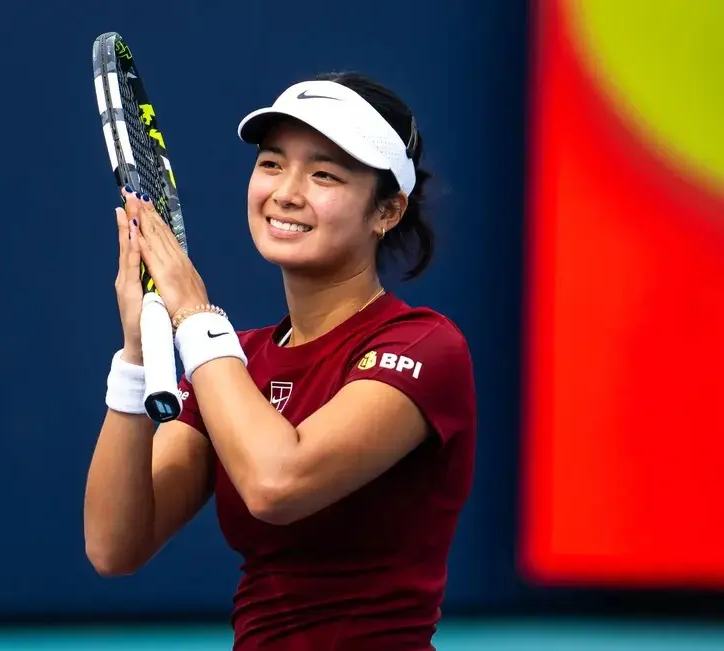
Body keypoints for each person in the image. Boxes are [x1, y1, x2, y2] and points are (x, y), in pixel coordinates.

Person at [83, 71, 477, 650]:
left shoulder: (424, 347)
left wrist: (194, 316)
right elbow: (115, 545)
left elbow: (276, 483)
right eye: (271, 163)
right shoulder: (235, 361)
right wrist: (138, 357)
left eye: (324, 174)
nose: (286, 192)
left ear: (387, 210)